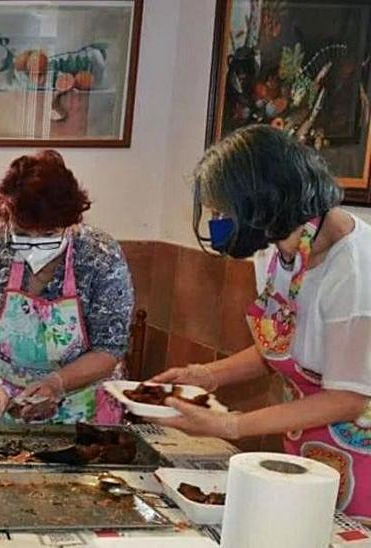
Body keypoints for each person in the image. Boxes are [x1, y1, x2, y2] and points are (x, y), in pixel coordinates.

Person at [152, 125, 371, 522]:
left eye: (224, 211)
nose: (219, 221)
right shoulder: (276, 250)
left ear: (263, 202)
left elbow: (348, 397)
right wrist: (203, 374)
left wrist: (232, 425)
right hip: (308, 443)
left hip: (362, 460)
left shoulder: (354, 268)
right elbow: (278, 347)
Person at [0, 150, 134, 424]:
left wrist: (56, 383)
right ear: (7, 216)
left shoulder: (99, 254)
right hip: (7, 405)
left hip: (84, 408)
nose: (36, 244)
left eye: (50, 234)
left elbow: (109, 348)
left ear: (73, 222)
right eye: (24, 233)